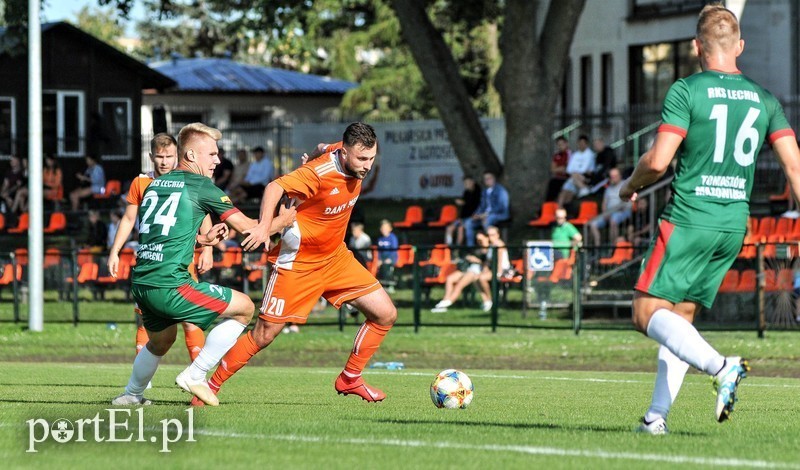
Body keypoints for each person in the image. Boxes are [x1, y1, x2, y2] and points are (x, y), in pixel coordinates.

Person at [618, 3, 800, 434]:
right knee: (680, 319)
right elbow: (794, 167)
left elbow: (659, 161)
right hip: (733, 222)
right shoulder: (765, 99)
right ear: (740, 46)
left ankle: (722, 367)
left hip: (691, 217)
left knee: (645, 313)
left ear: (696, 46)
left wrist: (630, 185)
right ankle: (654, 418)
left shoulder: (687, 90)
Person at [203, 122, 397, 405]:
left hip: (336, 258)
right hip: (299, 263)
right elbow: (273, 187)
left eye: (372, 158)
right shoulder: (319, 174)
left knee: (386, 314)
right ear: (344, 153)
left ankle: (350, 378)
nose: (367, 166)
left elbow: (320, 148)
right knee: (264, 334)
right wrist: (263, 227)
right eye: (362, 159)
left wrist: (308, 155)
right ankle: (210, 385)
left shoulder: (335, 152)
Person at [111, 123, 296, 406]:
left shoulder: (154, 184)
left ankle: (131, 395)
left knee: (160, 341)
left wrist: (204, 239)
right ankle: (196, 374)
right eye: (211, 154)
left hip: (143, 283)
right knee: (245, 309)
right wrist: (284, 220)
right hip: (171, 285)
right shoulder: (201, 186)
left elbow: (165, 236)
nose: (218, 160)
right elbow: (249, 229)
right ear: (192, 155)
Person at [107, 133, 213, 362]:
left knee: (190, 319)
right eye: (159, 156)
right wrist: (114, 251)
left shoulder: (188, 180)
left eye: (169, 156)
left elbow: (203, 213)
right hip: (150, 261)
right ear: (150, 157)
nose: (164, 161)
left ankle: (197, 375)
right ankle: (142, 383)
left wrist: (208, 249)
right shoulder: (141, 182)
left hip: (180, 261)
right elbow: (127, 219)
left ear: (178, 155)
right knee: (147, 320)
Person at [431, 232, 490, 313]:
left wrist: (477, 260)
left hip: (477, 270)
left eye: (480, 239)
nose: (479, 241)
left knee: (459, 285)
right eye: (477, 240)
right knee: (450, 279)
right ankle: (445, 299)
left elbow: (487, 265)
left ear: (487, 238)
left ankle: (447, 303)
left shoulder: (490, 250)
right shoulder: (477, 248)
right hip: (468, 268)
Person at [589, 168, 632, 246]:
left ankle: (613, 246)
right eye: (611, 176)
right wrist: (605, 213)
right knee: (593, 224)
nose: (613, 178)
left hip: (623, 211)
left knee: (613, 220)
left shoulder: (625, 185)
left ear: (620, 176)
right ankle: (597, 246)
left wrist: (610, 213)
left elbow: (623, 203)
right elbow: (604, 203)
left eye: (615, 176)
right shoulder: (608, 188)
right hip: (609, 213)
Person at [465, 171, 510, 246]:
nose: (487, 181)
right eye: (485, 179)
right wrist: (476, 214)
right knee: (469, 222)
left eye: (489, 178)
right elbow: (481, 206)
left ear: (494, 179)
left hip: (499, 215)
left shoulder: (501, 191)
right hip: (485, 215)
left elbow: (501, 207)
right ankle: (470, 247)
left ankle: (489, 247)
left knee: (487, 220)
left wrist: (486, 214)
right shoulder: (484, 192)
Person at [477, 225, 513, 312]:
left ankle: (490, 300)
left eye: (492, 235)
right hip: (493, 269)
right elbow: (489, 261)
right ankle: (486, 300)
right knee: (476, 278)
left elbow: (500, 261)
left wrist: (498, 274)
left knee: (482, 278)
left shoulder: (499, 245)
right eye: (489, 235)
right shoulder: (491, 245)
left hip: (504, 271)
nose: (490, 237)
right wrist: (484, 270)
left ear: (498, 235)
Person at [557, 135, 596, 207]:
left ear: (586, 144)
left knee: (570, 196)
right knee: (562, 194)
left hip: (585, 177)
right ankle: (559, 213)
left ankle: (584, 188)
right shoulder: (575, 154)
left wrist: (575, 171)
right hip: (574, 177)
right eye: (579, 143)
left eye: (583, 143)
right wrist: (575, 172)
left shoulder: (590, 154)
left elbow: (584, 169)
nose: (581, 145)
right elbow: (569, 169)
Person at [445, 175, 481, 246]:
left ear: (473, 182)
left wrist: (464, 203)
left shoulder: (478, 193)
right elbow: (465, 209)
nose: (466, 185)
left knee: (461, 228)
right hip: (463, 218)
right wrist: (461, 218)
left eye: (467, 183)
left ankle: (461, 248)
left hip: (473, 219)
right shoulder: (466, 193)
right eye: (465, 183)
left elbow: (474, 206)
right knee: (449, 228)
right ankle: (448, 248)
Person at [545, 137, 571, 202]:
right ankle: (548, 205)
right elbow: (553, 169)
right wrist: (560, 169)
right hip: (557, 178)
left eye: (562, 144)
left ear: (566, 144)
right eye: (558, 145)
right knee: (552, 184)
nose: (560, 146)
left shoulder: (570, 154)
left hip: (567, 178)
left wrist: (559, 169)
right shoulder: (556, 155)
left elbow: (567, 168)